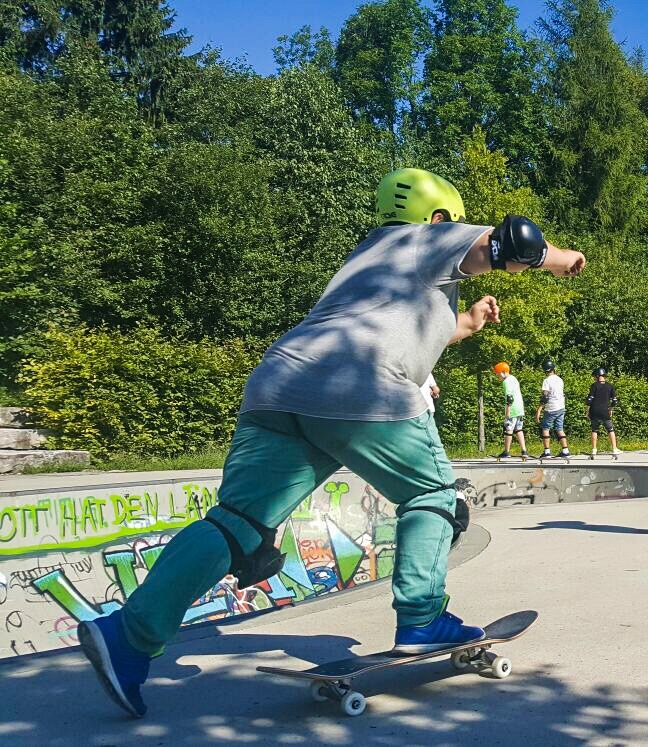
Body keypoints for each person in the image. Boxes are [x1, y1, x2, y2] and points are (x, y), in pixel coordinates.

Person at [76, 167, 586, 718]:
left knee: (237, 524)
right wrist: (563, 259)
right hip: (359, 384)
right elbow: (513, 240)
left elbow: (415, 327)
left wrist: (468, 320)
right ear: (438, 218)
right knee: (435, 496)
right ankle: (422, 619)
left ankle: (128, 638)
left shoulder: (366, 261)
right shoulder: (426, 237)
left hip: (281, 384)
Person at [492, 362, 529, 460]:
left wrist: (507, 412)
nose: (497, 376)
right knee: (518, 429)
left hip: (512, 409)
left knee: (508, 430)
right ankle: (524, 451)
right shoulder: (514, 378)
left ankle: (506, 451)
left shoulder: (506, 381)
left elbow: (509, 397)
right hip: (520, 408)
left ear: (503, 372)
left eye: (498, 374)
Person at [535, 359, 570, 459]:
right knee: (559, 428)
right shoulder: (560, 379)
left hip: (551, 408)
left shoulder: (547, 380)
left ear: (545, 370)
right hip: (561, 407)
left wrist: (539, 410)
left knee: (545, 428)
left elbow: (545, 397)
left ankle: (547, 452)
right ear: (553, 368)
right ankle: (565, 450)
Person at [585, 367, 622, 458]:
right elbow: (615, 401)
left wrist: (587, 411)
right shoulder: (610, 386)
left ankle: (594, 450)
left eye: (594, 377)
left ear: (597, 376)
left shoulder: (594, 386)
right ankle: (614, 449)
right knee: (610, 429)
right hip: (605, 411)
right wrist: (610, 409)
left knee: (594, 430)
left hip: (594, 410)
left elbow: (589, 400)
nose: (594, 378)